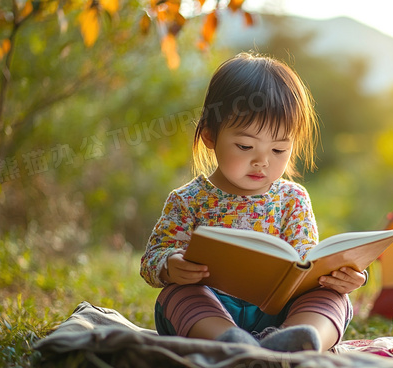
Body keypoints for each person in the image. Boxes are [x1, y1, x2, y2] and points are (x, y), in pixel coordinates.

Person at [140, 52, 366, 352]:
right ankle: (231, 343)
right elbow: (152, 257)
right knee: (177, 296)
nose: (262, 162)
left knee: (334, 299)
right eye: (246, 146)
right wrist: (171, 266)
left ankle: (299, 339)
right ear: (209, 135)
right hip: (212, 308)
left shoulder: (292, 199)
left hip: (280, 313)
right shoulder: (189, 200)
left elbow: (305, 261)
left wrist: (340, 277)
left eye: (279, 150)